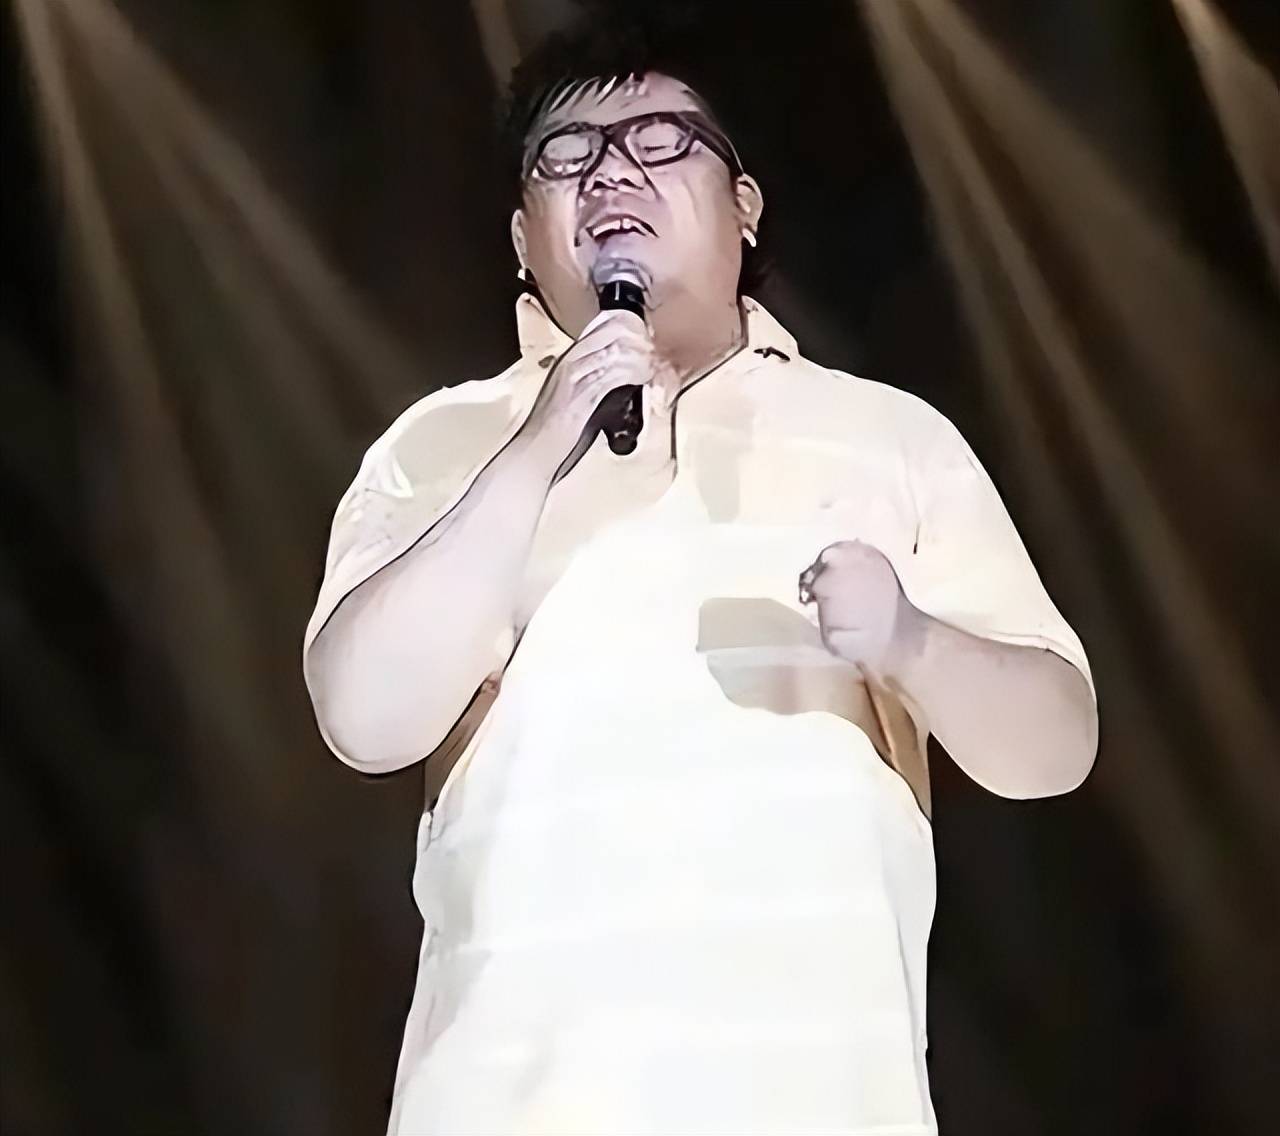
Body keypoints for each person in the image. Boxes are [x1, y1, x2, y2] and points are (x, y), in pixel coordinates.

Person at [302, 25, 1098, 1136]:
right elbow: (364, 718)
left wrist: (910, 640)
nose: (610, 175)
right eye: (566, 156)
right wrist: (539, 443)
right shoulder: (440, 445)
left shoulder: (890, 436)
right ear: (523, 239)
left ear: (745, 206)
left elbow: (1054, 748)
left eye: (659, 140)